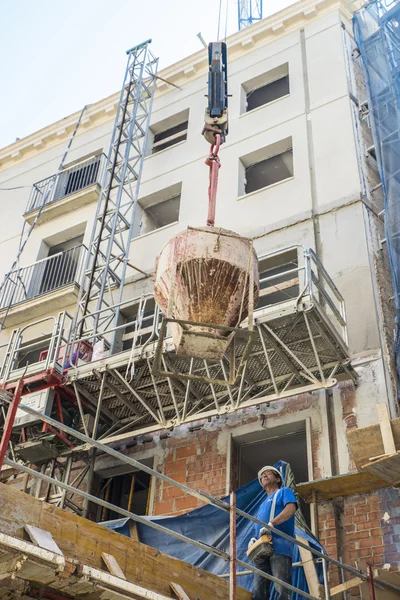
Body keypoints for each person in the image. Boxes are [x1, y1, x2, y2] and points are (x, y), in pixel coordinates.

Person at [251, 465, 297, 600]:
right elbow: (258, 525)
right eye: (262, 475)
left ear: (277, 479)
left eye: (268, 473)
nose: (264, 476)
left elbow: (291, 509)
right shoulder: (262, 504)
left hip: (280, 546)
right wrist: (253, 538)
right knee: (259, 589)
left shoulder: (284, 492)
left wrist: (272, 524)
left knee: (281, 587)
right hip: (262, 547)